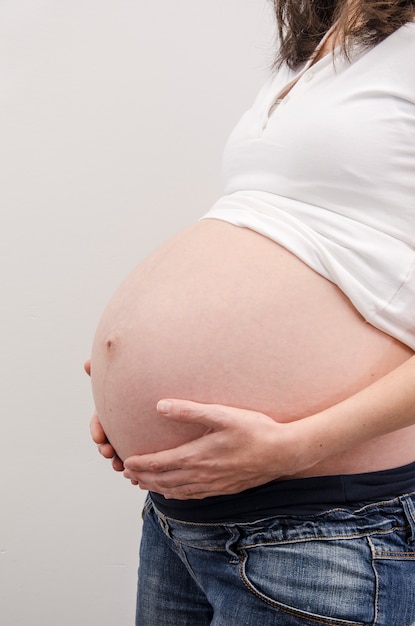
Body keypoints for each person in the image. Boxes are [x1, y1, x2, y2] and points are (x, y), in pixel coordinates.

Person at [87, 1, 415, 624]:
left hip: (328, 529)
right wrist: (134, 392)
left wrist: (298, 445)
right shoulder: (323, 47)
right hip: (181, 523)